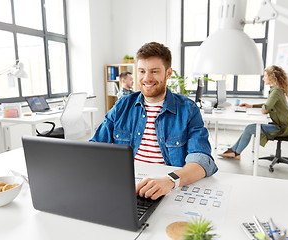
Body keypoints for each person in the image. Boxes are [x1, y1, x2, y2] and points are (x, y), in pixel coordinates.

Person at [91, 42, 218, 200]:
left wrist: (170, 180)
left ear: (168, 73)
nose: (146, 78)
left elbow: (202, 160)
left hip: (168, 189)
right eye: (142, 71)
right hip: (126, 188)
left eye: (154, 71)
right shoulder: (122, 105)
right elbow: (94, 146)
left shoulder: (188, 109)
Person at [219, 65, 288, 160]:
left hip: (283, 128)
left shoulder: (276, 91)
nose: (263, 78)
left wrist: (264, 107)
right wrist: (252, 106)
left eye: (265, 76)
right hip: (283, 125)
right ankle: (233, 151)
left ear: (271, 77)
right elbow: (268, 105)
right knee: (249, 128)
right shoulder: (276, 90)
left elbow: (265, 110)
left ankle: (236, 152)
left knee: (250, 128)